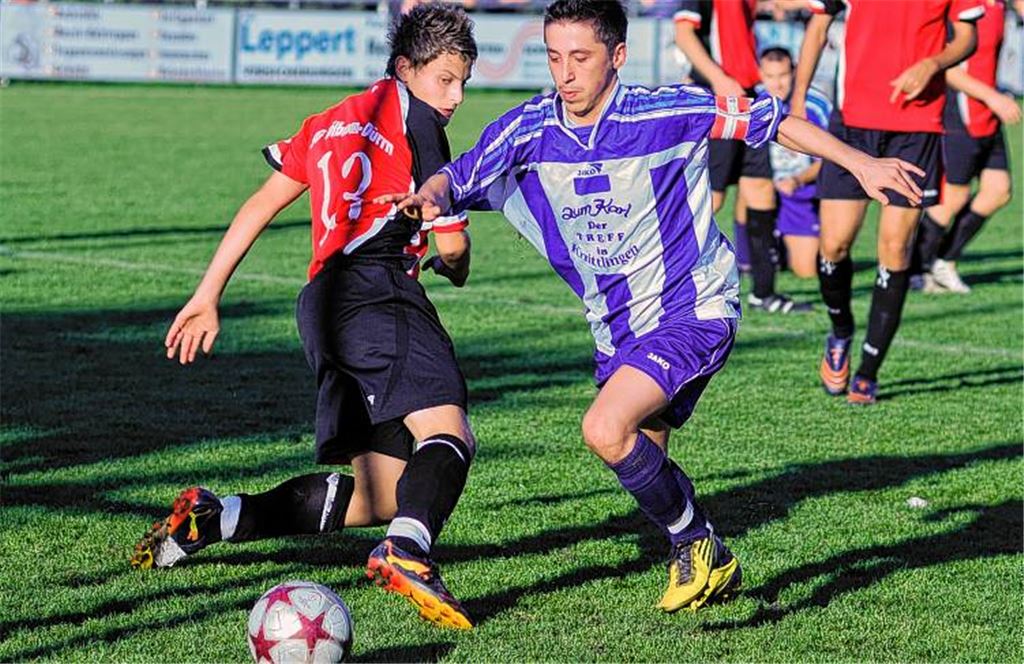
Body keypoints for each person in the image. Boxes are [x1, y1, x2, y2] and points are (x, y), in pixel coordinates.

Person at [379, 0, 922, 613]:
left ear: (617, 57)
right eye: (555, 58)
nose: (566, 74)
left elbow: (770, 121)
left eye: (580, 58)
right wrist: (428, 196)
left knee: (604, 428)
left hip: (695, 308)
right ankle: (694, 554)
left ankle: (702, 544)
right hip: (615, 329)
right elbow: (459, 175)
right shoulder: (530, 128)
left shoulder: (667, 110)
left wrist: (859, 161)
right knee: (643, 456)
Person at [130, 2, 480, 631]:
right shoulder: (421, 122)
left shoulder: (325, 123)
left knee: (382, 491)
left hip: (321, 305)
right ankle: (410, 552)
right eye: (444, 79)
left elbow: (260, 204)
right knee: (450, 433)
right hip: (378, 293)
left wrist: (208, 293)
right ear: (405, 69)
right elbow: (451, 246)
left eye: (463, 82)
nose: (453, 96)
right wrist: (455, 263)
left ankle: (218, 517)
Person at [791, 0, 983, 404]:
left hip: (916, 128)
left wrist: (932, 64)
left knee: (894, 248)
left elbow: (967, 37)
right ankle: (840, 331)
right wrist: (797, 103)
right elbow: (818, 27)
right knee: (833, 247)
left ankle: (868, 370)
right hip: (852, 126)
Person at [675, 0, 810, 313]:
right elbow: (683, 34)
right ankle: (666, 285)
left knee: (760, 192)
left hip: (747, 98)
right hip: (718, 99)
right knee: (711, 199)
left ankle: (764, 293)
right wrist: (719, 79)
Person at [913, 0, 1021, 294]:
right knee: (953, 196)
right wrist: (993, 97)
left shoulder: (998, 4)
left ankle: (943, 261)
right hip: (961, 112)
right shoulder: (956, 9)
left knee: (998, 190)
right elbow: (942, 67)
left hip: (987, 113)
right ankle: (917, 269)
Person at [761, 46, 832, 279]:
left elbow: (833, 158)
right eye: (770, 76)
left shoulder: (815, 105)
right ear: (761, 74)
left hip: (800, 194)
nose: (777, 84)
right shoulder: (752, 102)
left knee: (807, 271)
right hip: (764, 194)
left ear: (794, 72)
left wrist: (798, 179)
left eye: (783, 75)